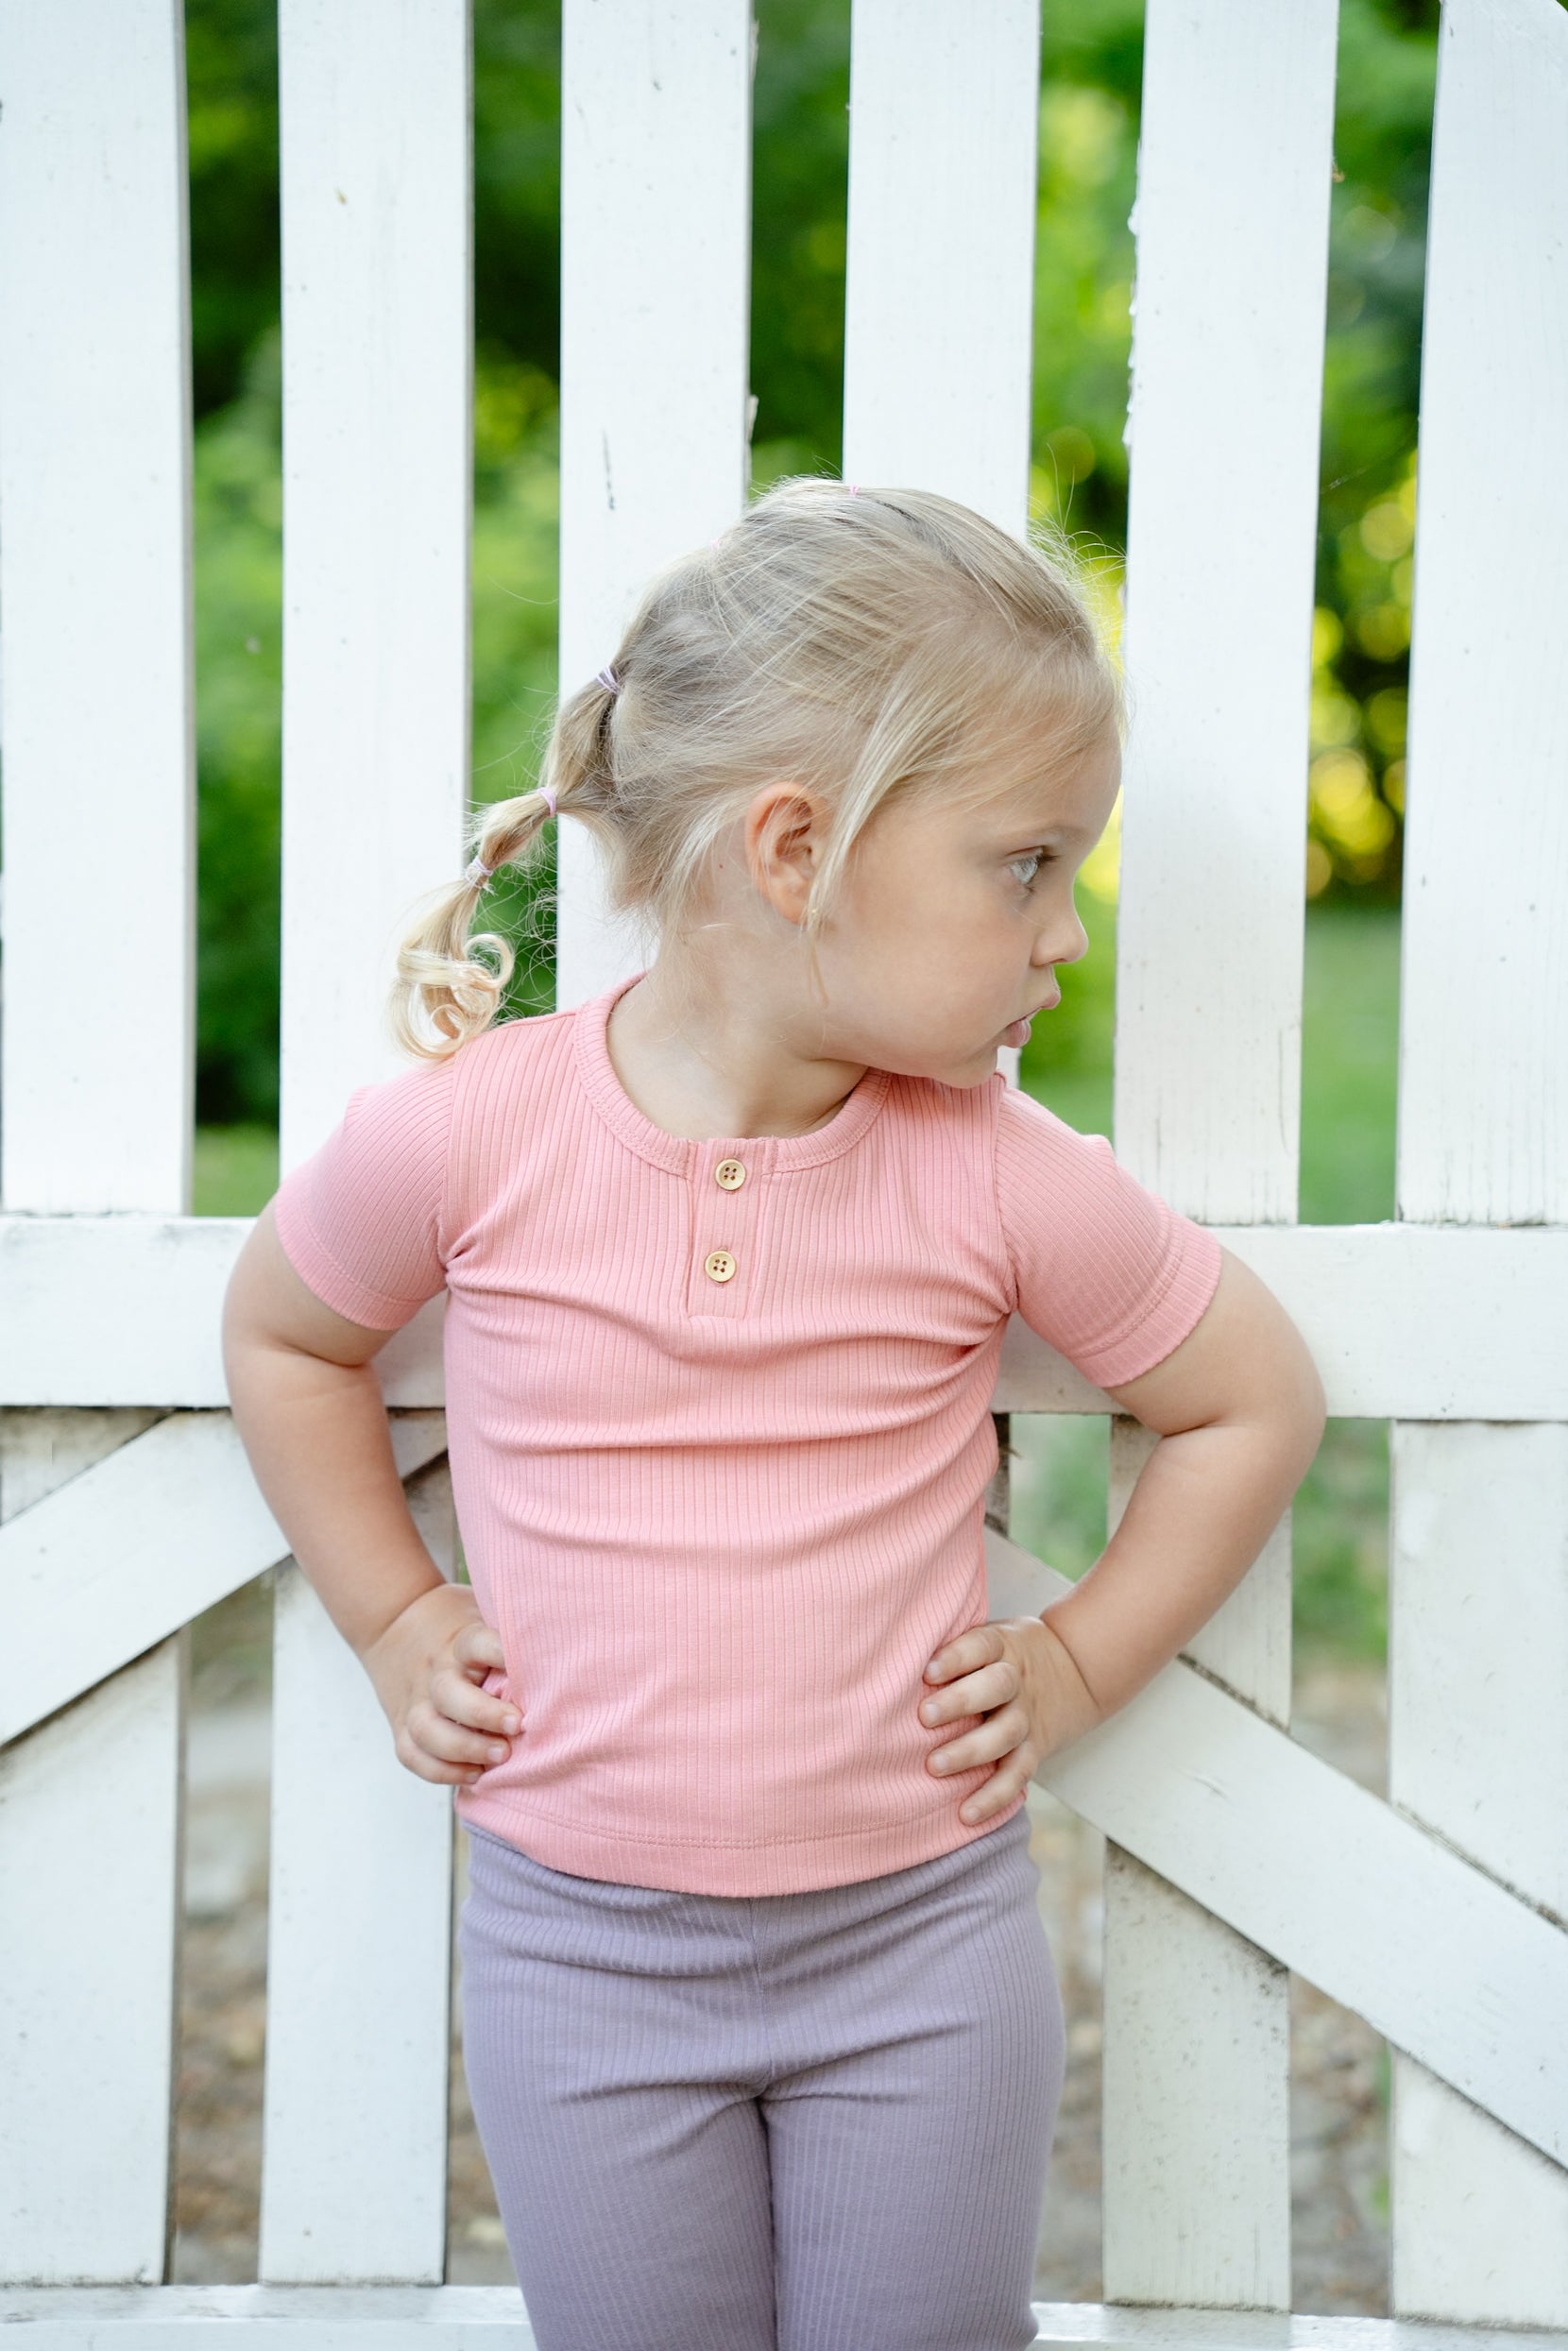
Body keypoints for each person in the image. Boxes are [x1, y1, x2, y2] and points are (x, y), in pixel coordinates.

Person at [222, 478, 1325, 2351]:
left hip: (915, 1954)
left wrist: (1069, 1664)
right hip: (581, 1960)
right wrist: (395, 1609)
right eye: (1026, 864)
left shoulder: (993, 1174)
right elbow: (282, 1336)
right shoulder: (473, 1132)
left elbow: (1249, 1401)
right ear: (795, 846)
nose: (1061, 936)